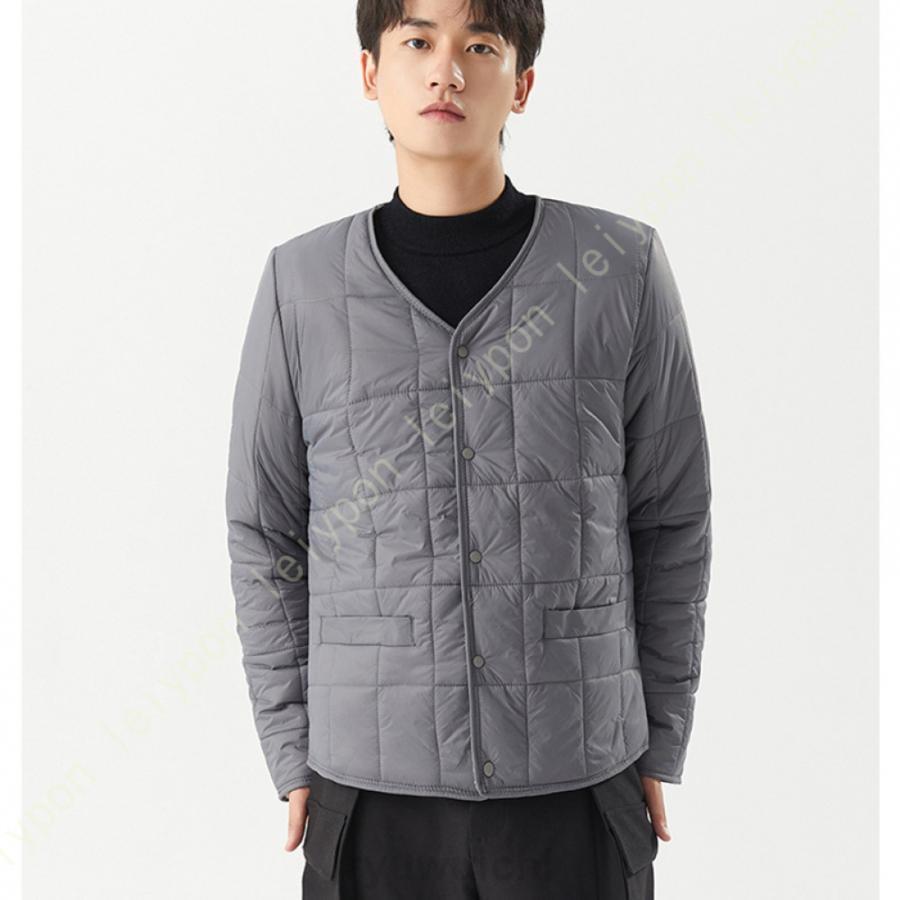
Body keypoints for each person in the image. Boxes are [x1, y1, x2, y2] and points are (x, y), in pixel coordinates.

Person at [225, 1, 713, 897]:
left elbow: (671, 517)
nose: (445, 71)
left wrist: (660, 736)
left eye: (479, 46)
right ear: (370, 73)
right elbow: (265, 531)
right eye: (417, 41)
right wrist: (292, 749)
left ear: (521, 84)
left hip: (577, 777)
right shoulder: (300, 287)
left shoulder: (620, 267)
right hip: (369, 793)